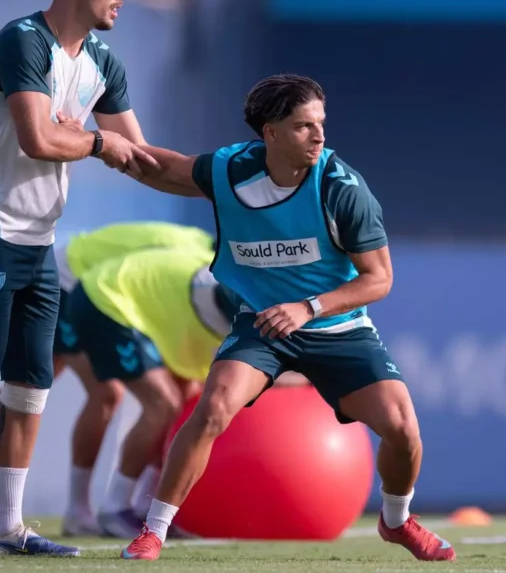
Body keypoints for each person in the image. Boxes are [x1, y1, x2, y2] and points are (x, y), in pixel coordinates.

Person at [117, 74, 457, 561]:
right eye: (303, 126)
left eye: (321, 123)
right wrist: (100, 145)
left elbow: (379, 279)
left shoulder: (343, 189)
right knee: (211, 410)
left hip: (337, 328)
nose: (319, 136)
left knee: (403, 429)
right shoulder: (230, 170)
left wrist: (308, 308)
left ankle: (397, 521)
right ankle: (153, 531)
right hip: (262, 325)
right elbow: (164, 169)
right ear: (271, 133)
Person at [0, 0, 158, 558]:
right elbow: (38, 138)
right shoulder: (22, 41)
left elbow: (139, 155)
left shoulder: (103, 61)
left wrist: (223, 182)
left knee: (30, 387)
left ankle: (4, 529)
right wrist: (96, 142)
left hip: (40, 241)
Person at [0, 221, 214, 536]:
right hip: (73, 285)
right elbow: (125, 282)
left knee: (24, 391)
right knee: (103, 393)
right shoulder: (192, 257)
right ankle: (81, 509)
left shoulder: (198, 248)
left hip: (85, 284)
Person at [65, 245, 241, 538]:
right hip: (104, 299)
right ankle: (116, 508)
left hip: (127, 298)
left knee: (184, 398)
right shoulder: (198, 317)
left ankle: (147, 507)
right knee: (163, 404)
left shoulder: (213, 285)